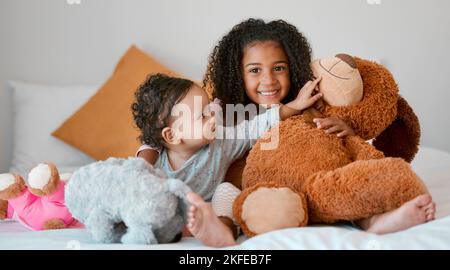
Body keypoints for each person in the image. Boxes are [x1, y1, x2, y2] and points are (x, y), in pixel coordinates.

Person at [136, 18, 356, 247]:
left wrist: (344, 132)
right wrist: (142, 166)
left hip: (269, 197)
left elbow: (344, 148)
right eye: (254, 70)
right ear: (237, 74)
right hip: (177, 206)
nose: (269, 80)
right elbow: (157, 136)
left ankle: (222, 228)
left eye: (279, 68)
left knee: (227, 193)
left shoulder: (305, 108)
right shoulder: (221, 117)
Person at [131, 72, 323, 247]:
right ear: (172, 136)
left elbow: (253, 128)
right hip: (172, 217)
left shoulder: (222, 142)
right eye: (202, 116)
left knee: (227, 191)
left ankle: (222, 231)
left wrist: (295, 105)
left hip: (210, 211)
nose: (213, 118)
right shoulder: (154, 164)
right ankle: (170, 230)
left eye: (210, 110)